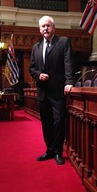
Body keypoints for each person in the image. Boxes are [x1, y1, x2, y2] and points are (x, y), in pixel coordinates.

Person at [29, 16, 75, 165]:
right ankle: (49, 150)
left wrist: (69, 82)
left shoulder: (63, 42)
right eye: (43, 26)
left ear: (53, 28)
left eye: (48, 26)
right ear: (39, 29)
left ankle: (57, 152)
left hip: (58, 91)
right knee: (46, 123)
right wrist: (38, 75)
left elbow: (68, 63)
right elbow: (32, 68)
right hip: (43, 92)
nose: (45, 29)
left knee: (59, 121)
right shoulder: (36, 47)